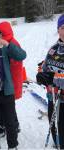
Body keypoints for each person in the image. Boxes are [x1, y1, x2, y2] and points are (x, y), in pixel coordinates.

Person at [36, 14, 64, 149]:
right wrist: (41, 74)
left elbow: (53, 76)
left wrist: (53, 77)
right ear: (58, 29)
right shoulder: (53, 49)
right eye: (63, 27)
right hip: (52, 95)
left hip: (62, 98)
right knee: (54, 125)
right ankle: (57, 143)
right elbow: (45, 67)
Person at [0, 21, 27, 134]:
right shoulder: (2, 43)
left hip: (12, 80)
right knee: (4, 104)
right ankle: (4, 124)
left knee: (9, 105)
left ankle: (14, 125)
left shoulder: (12, 43)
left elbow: (20, 56)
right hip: (5, 81)